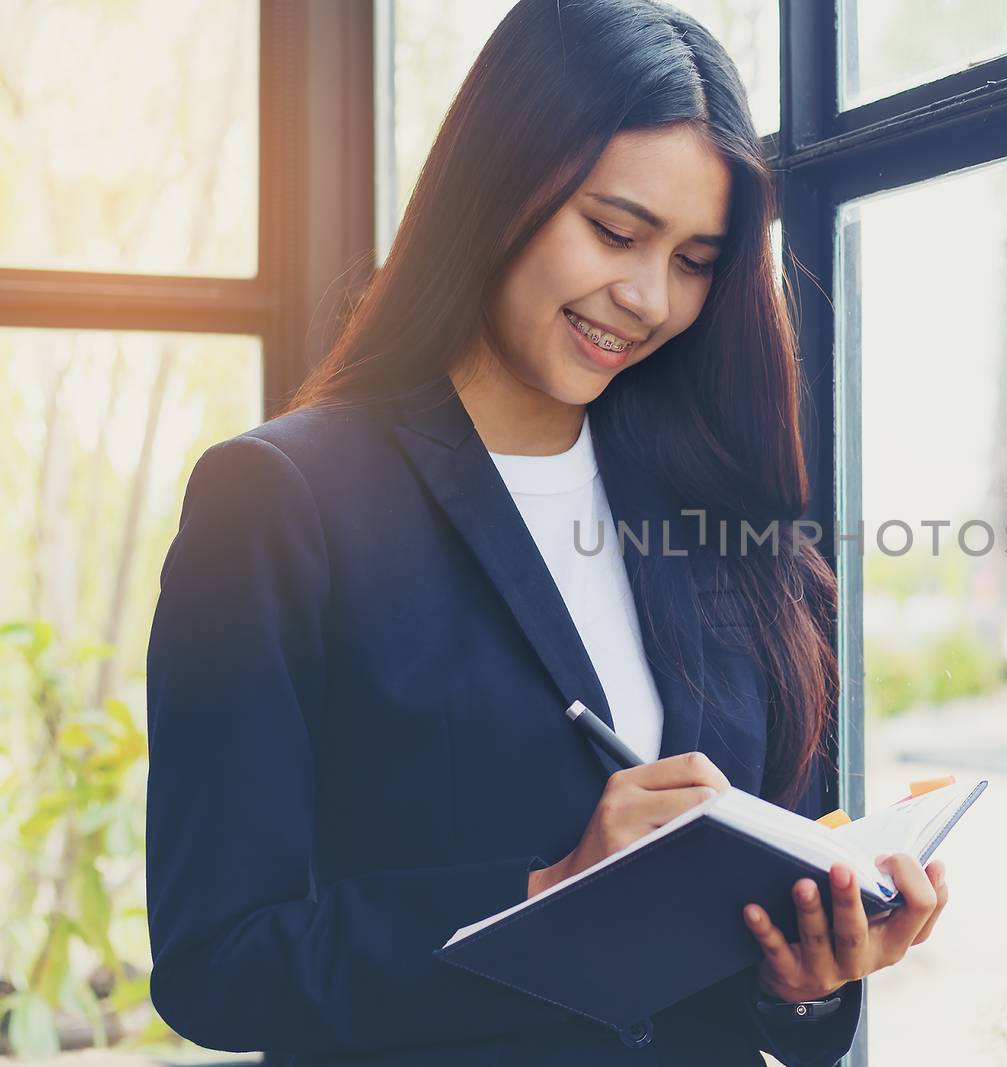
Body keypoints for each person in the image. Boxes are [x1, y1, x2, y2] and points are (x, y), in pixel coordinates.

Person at [143, 2, 950, 1064]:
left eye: (697, 259)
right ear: (497, 185)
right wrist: (549, 892)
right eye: (615, 231)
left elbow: (758, 958)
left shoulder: (717, 521)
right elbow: (219, 964)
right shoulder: (280, 500)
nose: (647, 296)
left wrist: (805, 977)